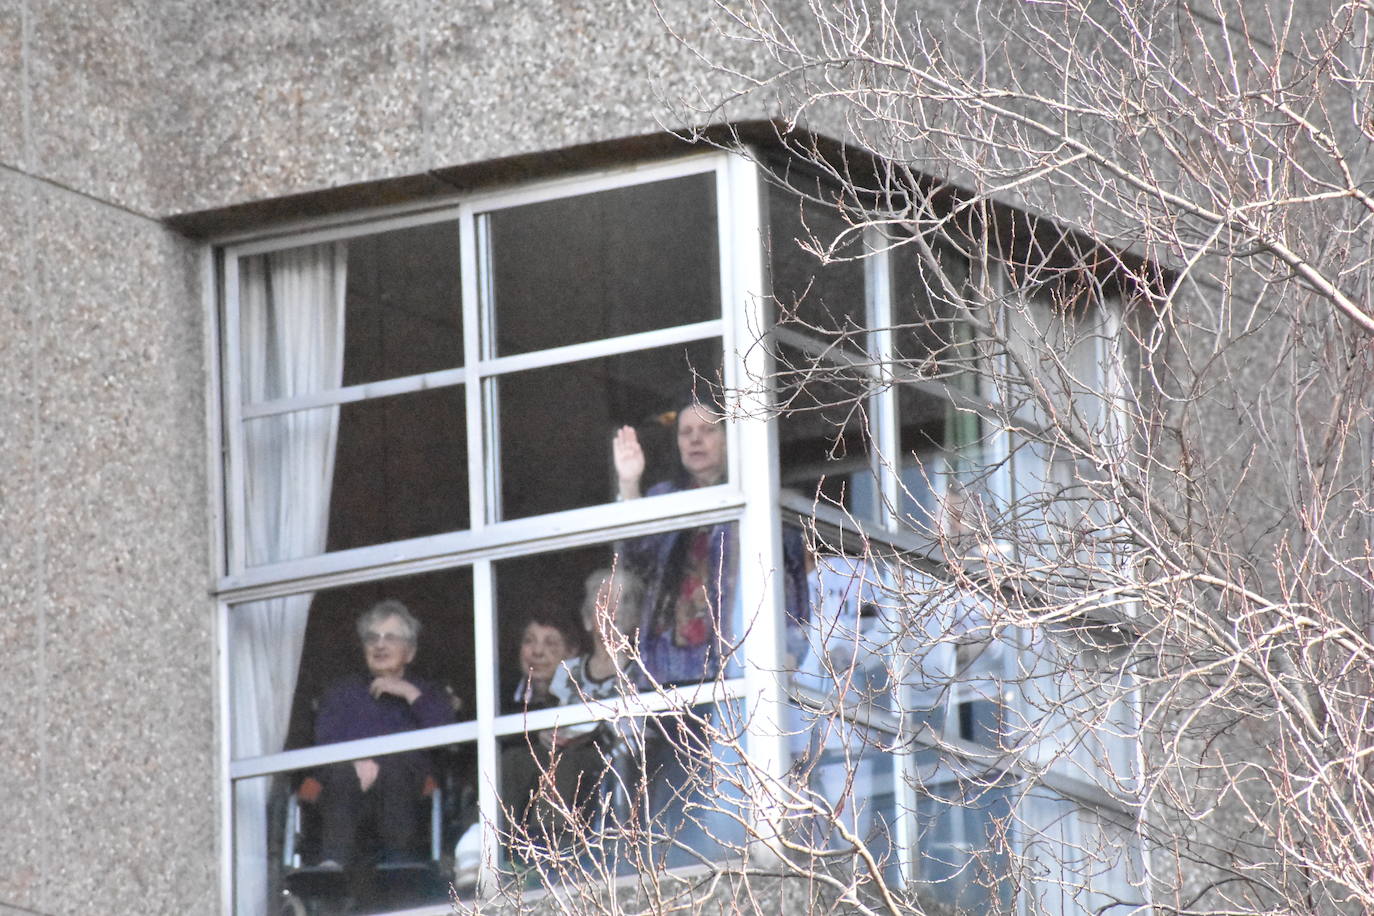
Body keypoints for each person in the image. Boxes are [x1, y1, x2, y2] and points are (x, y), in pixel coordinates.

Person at [612, 397, 808, 684]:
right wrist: (629, 484)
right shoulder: (665, 499)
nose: (695, 440)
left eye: (707, 430)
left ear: (730, 439)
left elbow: (789, 582)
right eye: (686, 432)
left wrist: (790, 647)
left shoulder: (757, 497)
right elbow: (634, 557)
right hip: (665, 670)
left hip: (736, 665)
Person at [311, 600, 454, 869]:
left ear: (409, 652)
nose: (379, 645)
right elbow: (324, 743)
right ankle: (332, 865)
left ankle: (398, 866)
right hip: (349, 786)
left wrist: (409, 693)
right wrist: (354, 762)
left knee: (396, 767)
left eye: (390, 637)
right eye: (372, 638)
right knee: (341, 773)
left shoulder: (426, 692)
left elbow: (448, 738)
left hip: (408, 793)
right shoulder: (341, 693)